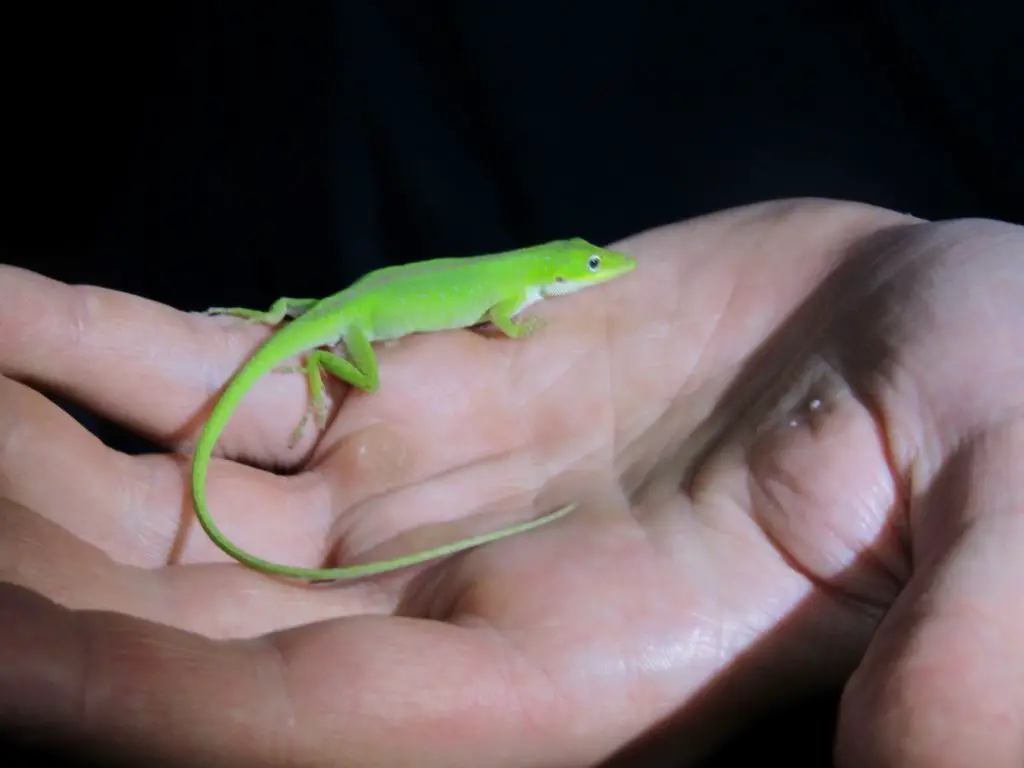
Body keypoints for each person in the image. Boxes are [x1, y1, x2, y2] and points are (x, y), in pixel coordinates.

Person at [2, 197, 1022, 766]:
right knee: (346, 355)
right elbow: (508, 319)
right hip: (344, 319)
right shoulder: (517, 294)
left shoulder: (523, 266)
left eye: (592, 268)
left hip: (335, 291)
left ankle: (289, 327)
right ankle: (313, 355)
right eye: (588, 271)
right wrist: (340, 353)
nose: (600, 275)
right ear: (558, 269)